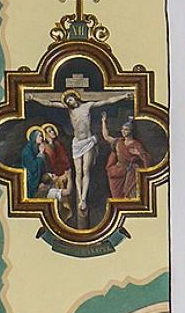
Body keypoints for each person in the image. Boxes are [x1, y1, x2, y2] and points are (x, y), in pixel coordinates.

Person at [26, 89, 132, 217]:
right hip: (77, 143)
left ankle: (83, 199)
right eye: (67, 101)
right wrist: (33, 97)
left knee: (86, 169)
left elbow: (107, 101)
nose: (69, 102)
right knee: (78, 172)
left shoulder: (87, 106)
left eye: (70, 99)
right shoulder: (69, 110)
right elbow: (49, 103)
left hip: (88, 141)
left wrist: (123, 96)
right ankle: (79, 196)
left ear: (75, 98)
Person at [101, 113, 151, 199]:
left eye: (126, 129)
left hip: (130, 174)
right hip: (117, 172)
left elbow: (147, 158)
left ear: (131, 131)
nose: (123, 131)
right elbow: (106, 137)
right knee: (117, 196)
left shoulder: (136, 144)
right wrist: (103, 122)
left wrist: (138, 154)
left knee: (128, 195)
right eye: (122, 129)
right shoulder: (118, 141)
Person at [20, 126, 46, 199]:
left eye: (42, 136)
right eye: (40, 136)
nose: (42, 138)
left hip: (38, 177)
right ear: (34, 137)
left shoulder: (36, 148)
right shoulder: (27, 151)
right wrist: (41, 154)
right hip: (30, 179)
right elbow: (33, 167)